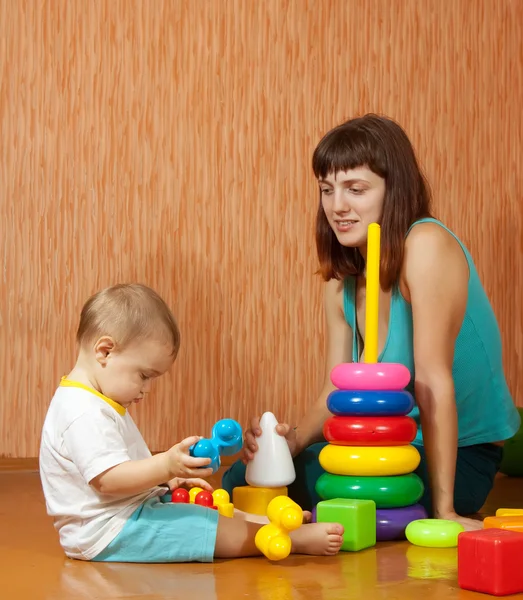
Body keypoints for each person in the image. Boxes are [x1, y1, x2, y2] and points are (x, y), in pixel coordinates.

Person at [222, 114, 521, 531]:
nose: (337, 206)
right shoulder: (343, 281)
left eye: (355, 189)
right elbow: (333, 388)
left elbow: (433, 381)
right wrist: (289, 444)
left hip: (459, 457)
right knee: (244, 477)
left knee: (315, 492)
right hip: (386, 446)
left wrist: (446, 511)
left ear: (392, 191)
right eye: (327, 190)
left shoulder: (426, 246)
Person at [39, 283, 344, 563]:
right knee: (199, 526)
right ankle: (290, 538)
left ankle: (264, 523)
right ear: (105, 351)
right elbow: (107, 480)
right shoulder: (83, 411)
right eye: (144, 376)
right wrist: (165, 466)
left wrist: (167, 481)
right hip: (108, 532)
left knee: (200, 509)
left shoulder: (95, 400)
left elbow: (121, 466)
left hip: (124, 515)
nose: (146, 389)